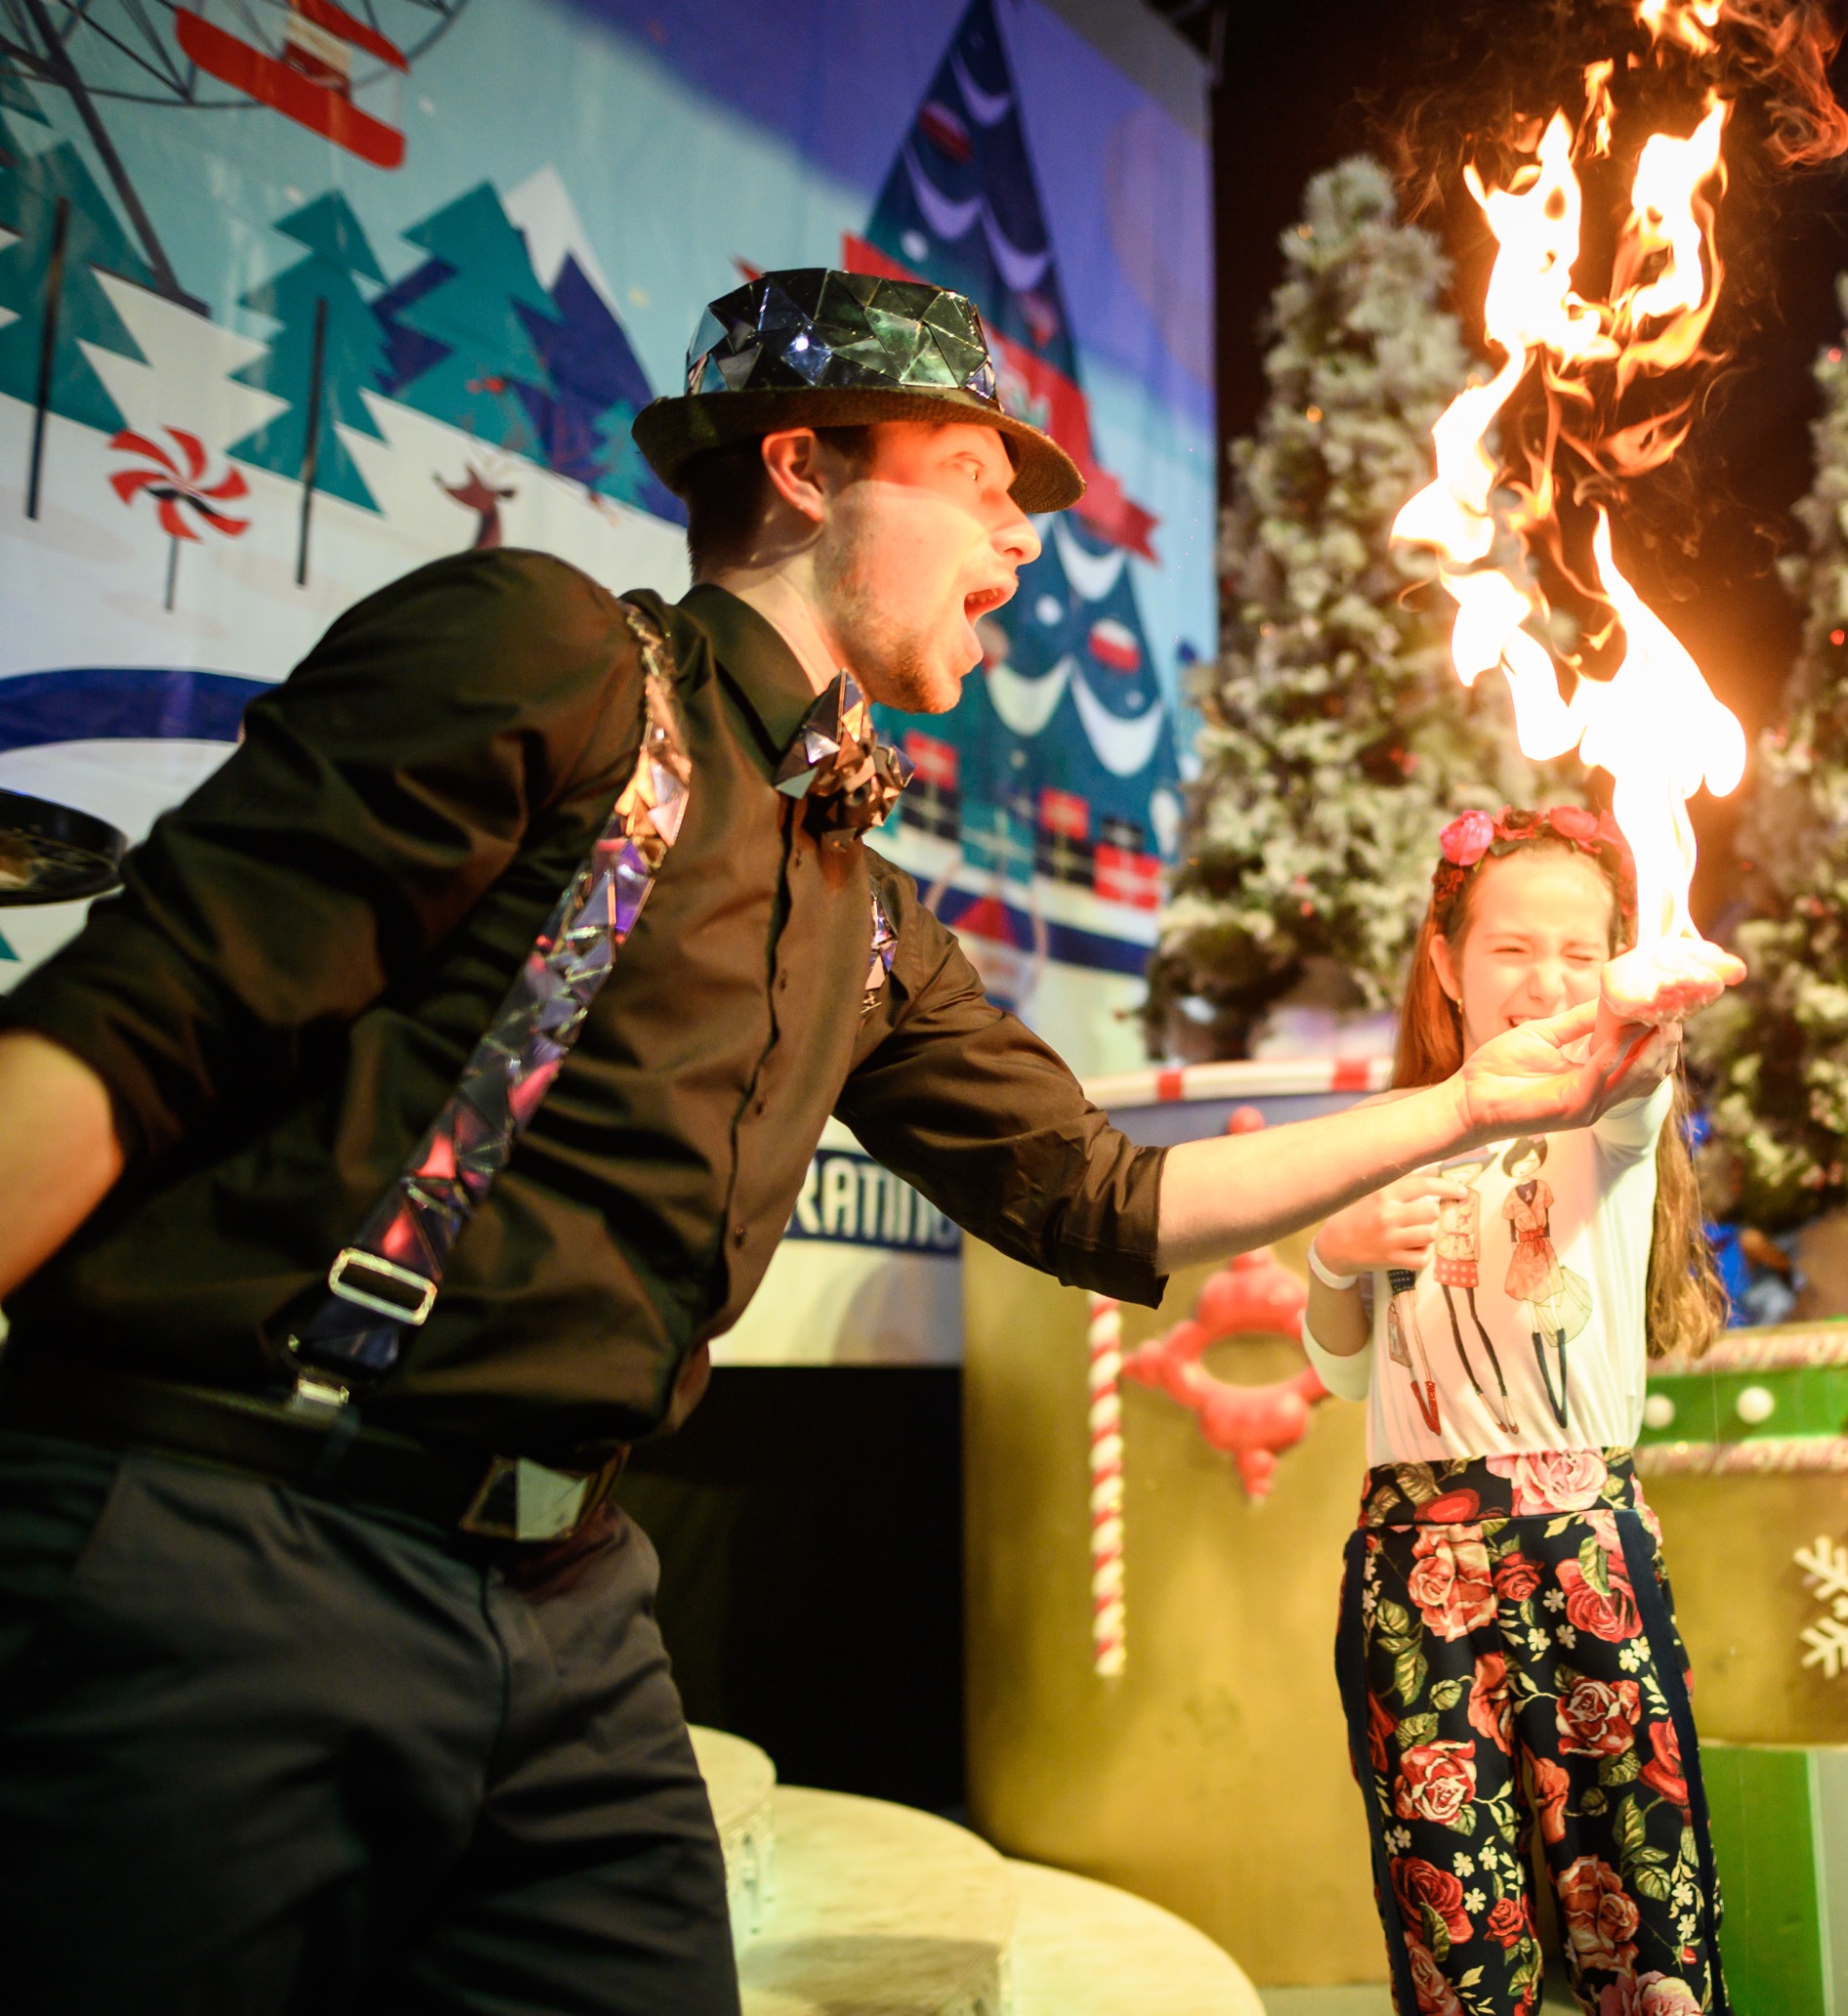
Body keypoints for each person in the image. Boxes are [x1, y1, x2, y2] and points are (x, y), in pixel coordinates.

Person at [0, 273, 1688, 2014]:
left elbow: (1112, 1197)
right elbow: (132, 1031)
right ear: (803, 468)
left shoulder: (863, 913)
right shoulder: (545, 654)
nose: (1023, 539)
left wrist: (1476, 1103)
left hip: (565, 1598)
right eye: (975, 479)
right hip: (235, 1527)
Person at [1302, 806, 1738, 2016]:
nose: (1547, 980)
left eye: (1578, 954)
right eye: (1511, 949)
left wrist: (1638, 1001)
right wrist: (1335, 1255)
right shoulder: (1390, 1137)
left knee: (1646, 1925)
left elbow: (1635, 1078)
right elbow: (1345, 1373)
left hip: (1583, 1550)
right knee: (1454, 1936)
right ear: (1446, 963)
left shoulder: (1603, 1123)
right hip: (1414, 1559)